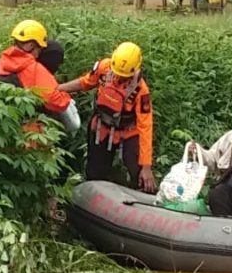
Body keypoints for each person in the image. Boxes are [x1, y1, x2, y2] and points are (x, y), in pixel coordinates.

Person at [58, 42, 158, 193]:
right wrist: (58, 88)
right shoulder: (104, 68)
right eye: (117, 73)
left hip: (128, 130)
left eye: (124, 77)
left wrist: (146, 167)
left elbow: (146, 126)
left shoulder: (141, 91)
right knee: (95, 173)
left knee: (140, 174)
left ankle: (145, 197)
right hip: (102, 128)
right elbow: (85, 82)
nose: (119, 78)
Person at [0, 19, 80, 134]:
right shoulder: (35, 70)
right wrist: (66, 96)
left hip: (2, 135)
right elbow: (57, 102)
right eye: (39, 48)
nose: (39, 53)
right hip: (31, 137)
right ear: (30, 45)